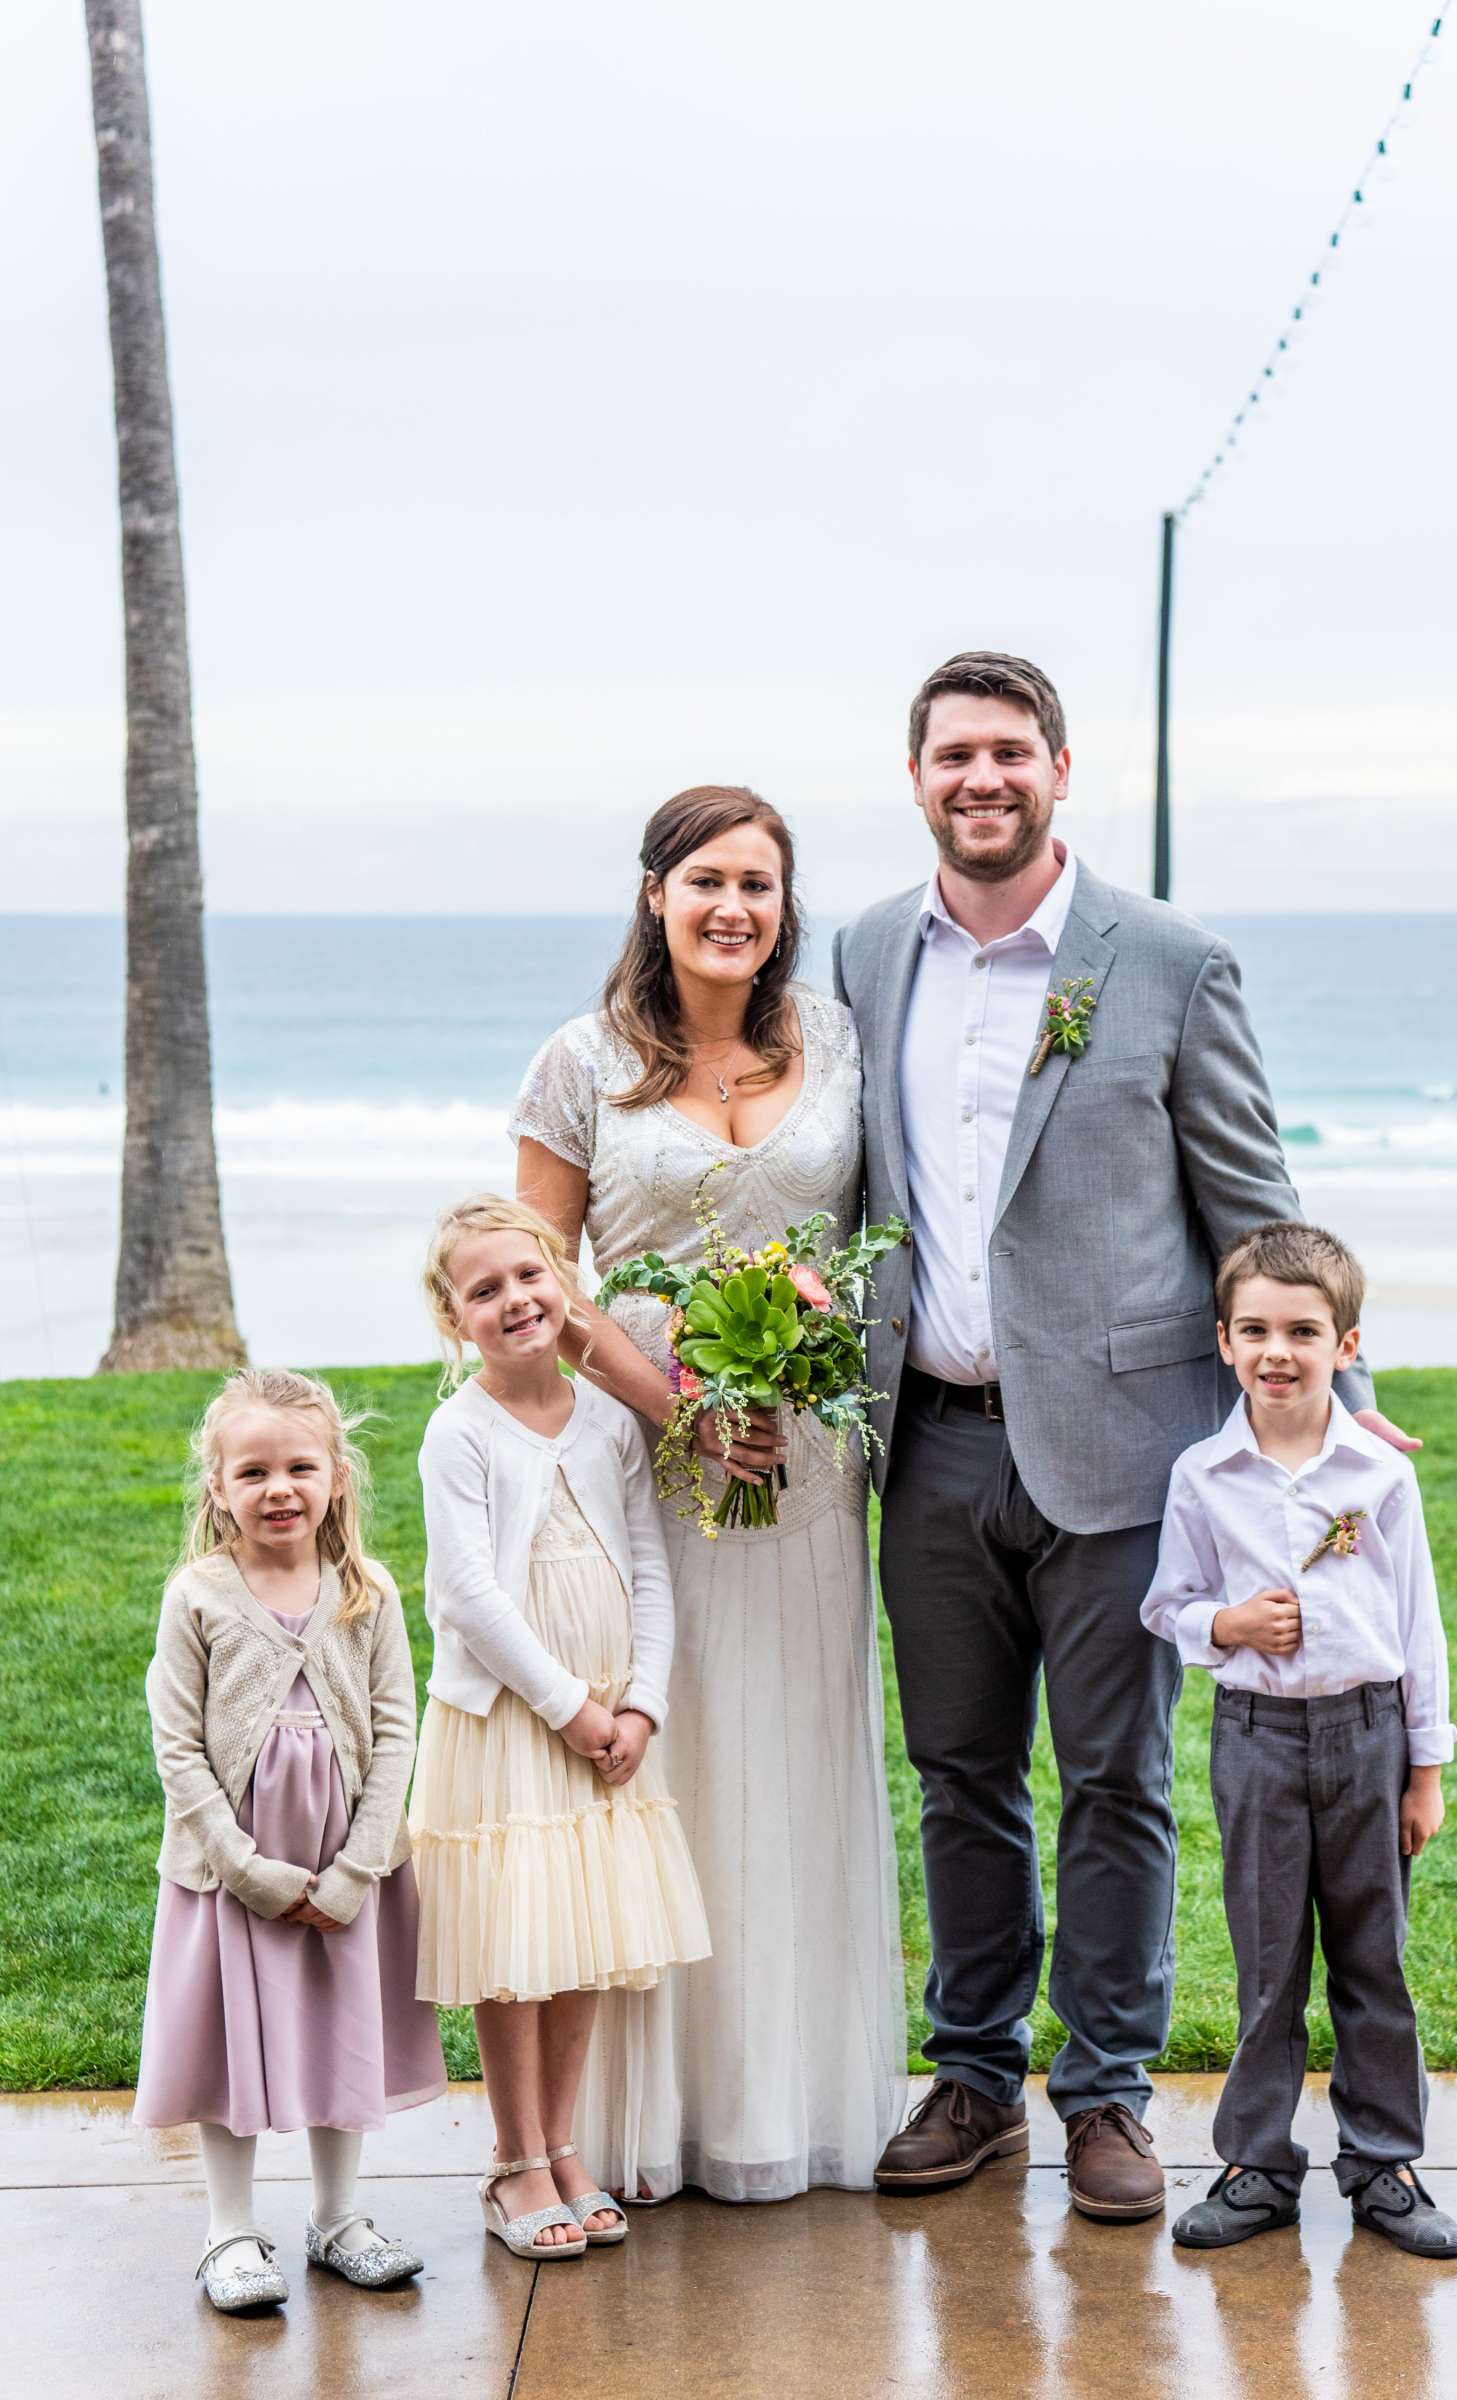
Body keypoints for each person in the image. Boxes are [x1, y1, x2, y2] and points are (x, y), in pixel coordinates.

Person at [836, 650, 1417, 2220]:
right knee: (957, 1776)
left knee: (1113, 1781)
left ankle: (1101, 2091)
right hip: (931, 1442)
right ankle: (969, 2078)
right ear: (914, 778)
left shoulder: (1163, 959)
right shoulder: (864, 951)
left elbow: (1250, 1200)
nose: (981, 779)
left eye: (1009, 752)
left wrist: (1339, 1421)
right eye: (953, 754)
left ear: (1059, 769)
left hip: (1123, 1449)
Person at [510, 785, 905, 2202]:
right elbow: (537, 1281)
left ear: (785, 907)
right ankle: (637, 2123)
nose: (734, 907)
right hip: (643, 1465)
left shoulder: (842, 1043)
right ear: (654, 897)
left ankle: (781, 2103)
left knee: (791, 1761)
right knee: (662, 1766)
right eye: (706, 882)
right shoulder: (580, 1061)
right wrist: (677, 1405)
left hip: (808, 1473)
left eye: (760, 883)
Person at [1142, 1222, 1457, 2258]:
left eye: (1303, 1330)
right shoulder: (1203, 1474)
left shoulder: (1381, 1479)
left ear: (1348, 1345)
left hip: (1370, 1737)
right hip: (1258, 1740)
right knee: (1269, 1960)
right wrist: (1226, 1627)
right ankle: (1256, 2166)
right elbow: (1168, 1605)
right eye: (1255, 1330)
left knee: (1375, 1959)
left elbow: (1419, 1627)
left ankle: (1384, 2165)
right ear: (1225, 1344)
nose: (1278, 1350)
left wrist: (1427, 1770)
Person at [408, 1194, 709, 2254]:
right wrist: (569, 1708)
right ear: (456, 1322)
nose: (515, 1301)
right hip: (510, 1726)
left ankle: (565, 2143)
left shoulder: (612, 1421)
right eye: (483, 1291)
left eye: (529, 1277)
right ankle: (513, 2160)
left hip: (606, 1724)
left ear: (563, 1284)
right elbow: (469, 1597)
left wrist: (641, 1703)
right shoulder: (460, 1433)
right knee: (513, 1944)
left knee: (580, 1938)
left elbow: (649, 1568)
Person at [135, 1368, 445, 2315]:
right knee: (230, 2048)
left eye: (300, 1467)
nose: (280, 1489)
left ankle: (338, 2218)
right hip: (236, 1869)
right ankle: (229, 2231)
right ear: (217, 1487)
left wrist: (357, 1868)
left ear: (337, 1476)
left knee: (336, 2031)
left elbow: (398, 1729)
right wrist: (245, 1867)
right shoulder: (199, 1596)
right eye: (254, 1471)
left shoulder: (368, 1592)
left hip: (341, 1862)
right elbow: (176, 1744)